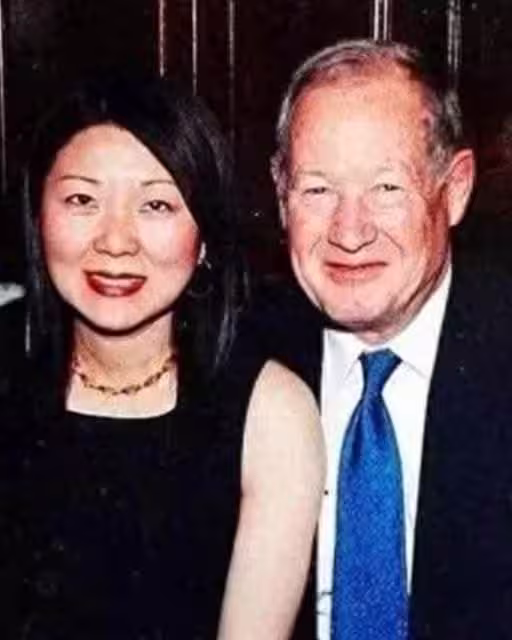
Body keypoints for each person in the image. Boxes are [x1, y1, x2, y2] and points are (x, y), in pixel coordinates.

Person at [0, 76, 324, 639]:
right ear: (37, 216)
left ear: (204, 238)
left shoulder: (270, 413)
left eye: (155, 205)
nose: (115, 241)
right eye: (82, 200)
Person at [252, 38, 512, 639]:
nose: (350, 232)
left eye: (387, 188)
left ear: (456, 188)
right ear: (280, 194)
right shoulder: (233, 357)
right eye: (317, 190)